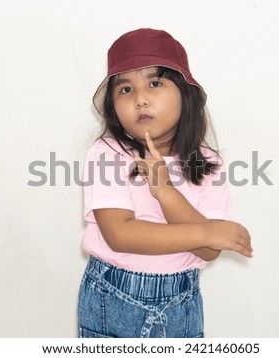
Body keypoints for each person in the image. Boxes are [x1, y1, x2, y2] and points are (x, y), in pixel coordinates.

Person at [77, 28, 252, 338]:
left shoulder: (208, 164)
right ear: (113, 107)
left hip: (182, 303)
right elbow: (119, 234)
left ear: (184, 94)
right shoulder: (108, 153)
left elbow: (209, 251)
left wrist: (166, 192)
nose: (141, 99)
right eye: (126, 90)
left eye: (155, 83)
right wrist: (205, 230)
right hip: (114, 298)